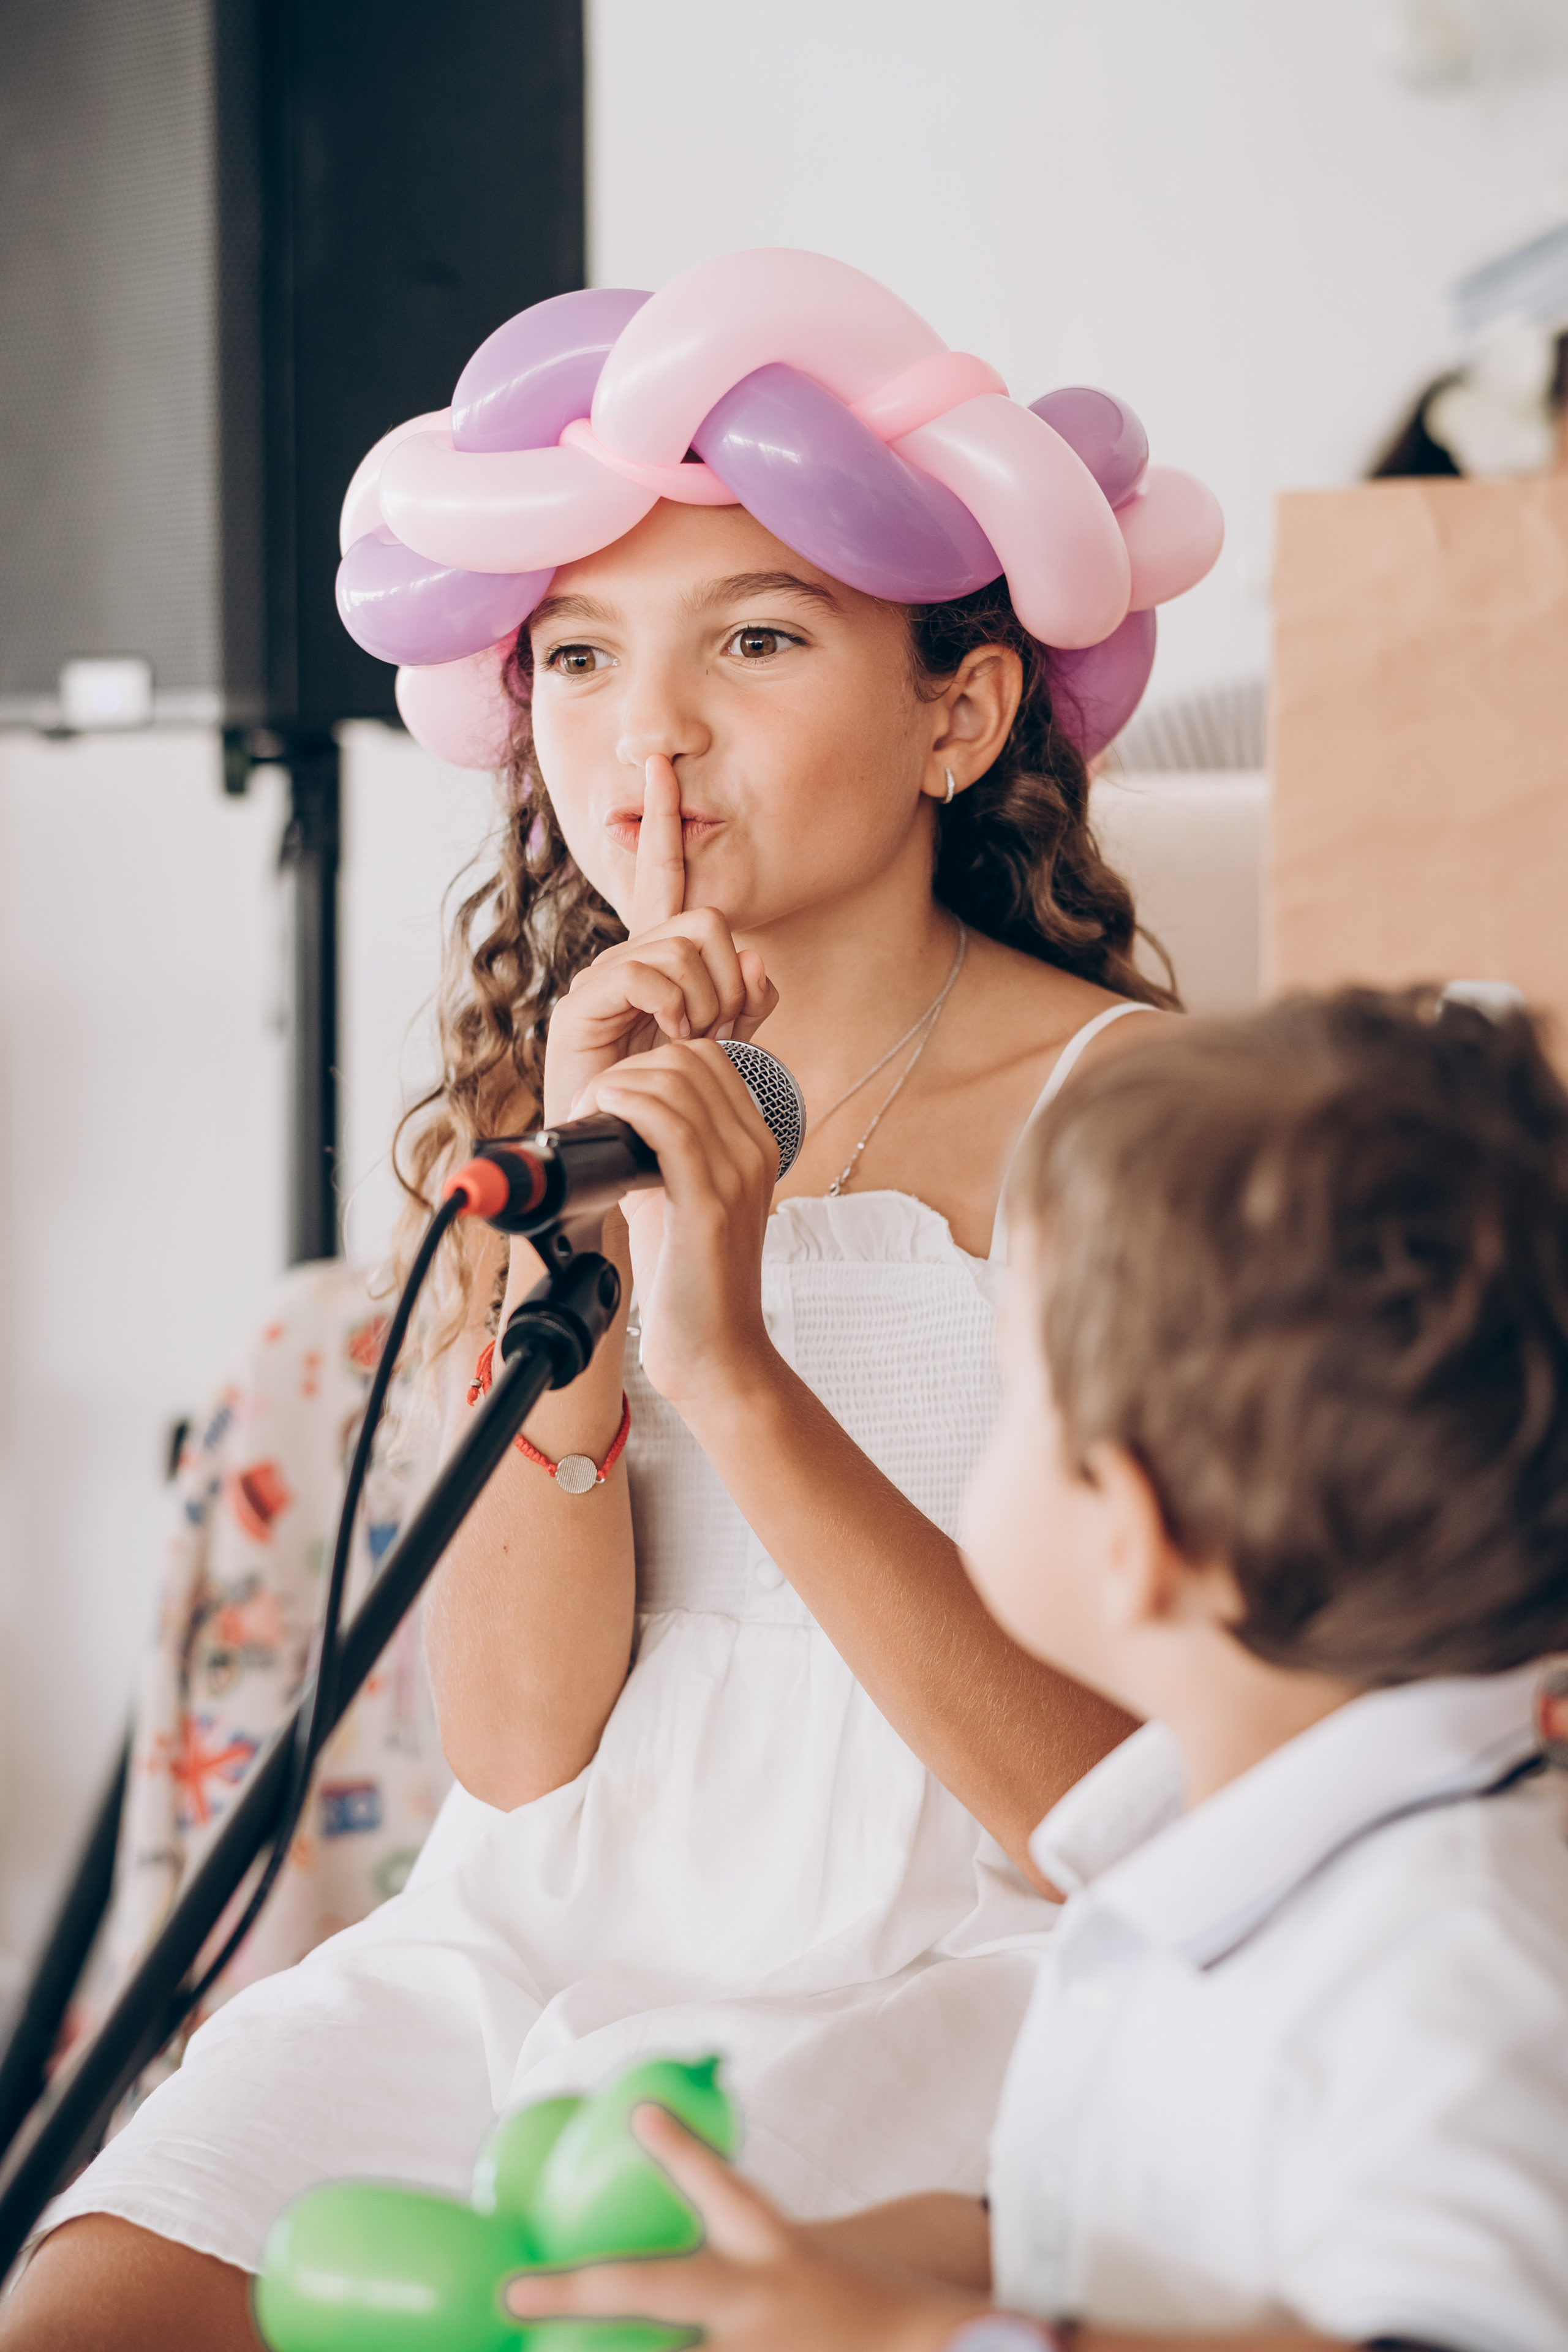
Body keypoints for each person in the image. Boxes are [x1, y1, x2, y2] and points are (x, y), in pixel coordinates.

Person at [1, 249, 1218, 2349]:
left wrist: (728, 1364)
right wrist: (569, 1278)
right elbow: (520, 1755)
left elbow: (1117, 1824)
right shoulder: (535, 1126)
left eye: (757, 636)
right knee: (91, 2307)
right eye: (577, 655)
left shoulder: (1139, 1128)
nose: (648, 733)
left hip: (944, 1967)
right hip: (528, 1948)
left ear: (958, 710)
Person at [505, 986, 1568, 2352]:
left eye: (1013, 1387)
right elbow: (1094, 2238)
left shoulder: (1453, 1949)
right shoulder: (1202, 1866)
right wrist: (817, 2271)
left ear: (1133, 1536)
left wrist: (912, 2342)